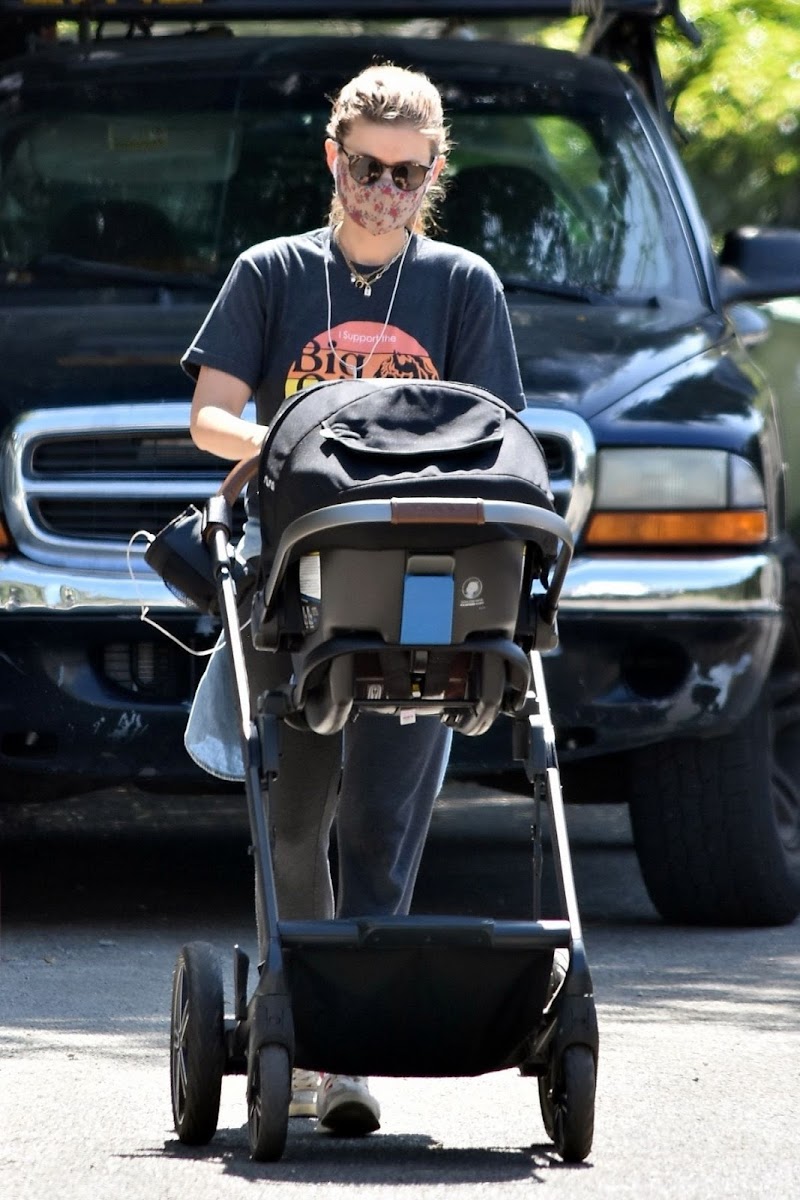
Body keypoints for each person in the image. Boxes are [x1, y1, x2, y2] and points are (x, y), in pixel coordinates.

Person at [181, 62, 526, 1136]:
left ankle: (355, 1044)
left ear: (434, 175)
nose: (385, 191)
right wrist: (301, 444)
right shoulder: (272, 272)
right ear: (333, 159)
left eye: (408, 174)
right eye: (367, 169)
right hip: (301, 585)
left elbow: (495, 434)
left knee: (383, 825)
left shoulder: (462, 285)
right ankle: (305, 1029)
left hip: (422, 592)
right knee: (293, 818)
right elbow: (211, 417)